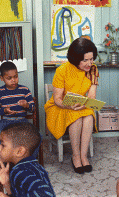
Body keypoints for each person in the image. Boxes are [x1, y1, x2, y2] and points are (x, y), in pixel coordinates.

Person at [44, 37, 99, 174]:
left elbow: (92, 96)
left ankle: (83, 156)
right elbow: (57, 99)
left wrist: (85, 104)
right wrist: (69, 106)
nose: (89, 63)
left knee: (88, 117)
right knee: (77, 117)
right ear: (75, 58)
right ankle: (75, 156)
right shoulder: (62, 70)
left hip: (82, 104)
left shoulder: (93, 70)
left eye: (91, 59)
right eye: (85, 60)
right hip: (61, 106)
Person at [0, 122, 55, 197]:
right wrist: (7, 184)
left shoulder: (21, 172)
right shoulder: (34, 166)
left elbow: (46, 195)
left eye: (3, 145)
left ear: (19, 151)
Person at [0, 61, 40, 158]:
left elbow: (32, 108)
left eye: (16, 76)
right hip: (6, 122)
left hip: (21, 121)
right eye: (9, 78)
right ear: (2, 78)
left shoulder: (24, 90)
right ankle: (6, 159)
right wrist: (5, 110)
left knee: (37, 137)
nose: (13, 80)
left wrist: (26, 105)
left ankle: (29, 161)